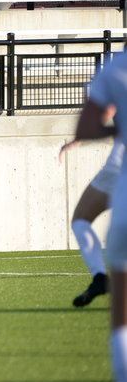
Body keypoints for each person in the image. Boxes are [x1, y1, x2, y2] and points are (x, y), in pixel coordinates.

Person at [73, 50, 127, 382]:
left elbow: (90, 124)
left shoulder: (117, 66)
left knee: (80, 219)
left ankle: (98, 275)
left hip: (121, 170)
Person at [60, 111, 124, 308]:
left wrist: (79, 138)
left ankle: (99, 277)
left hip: (119, 165)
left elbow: (102, 112)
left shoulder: (116, 88)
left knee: (81, 220)